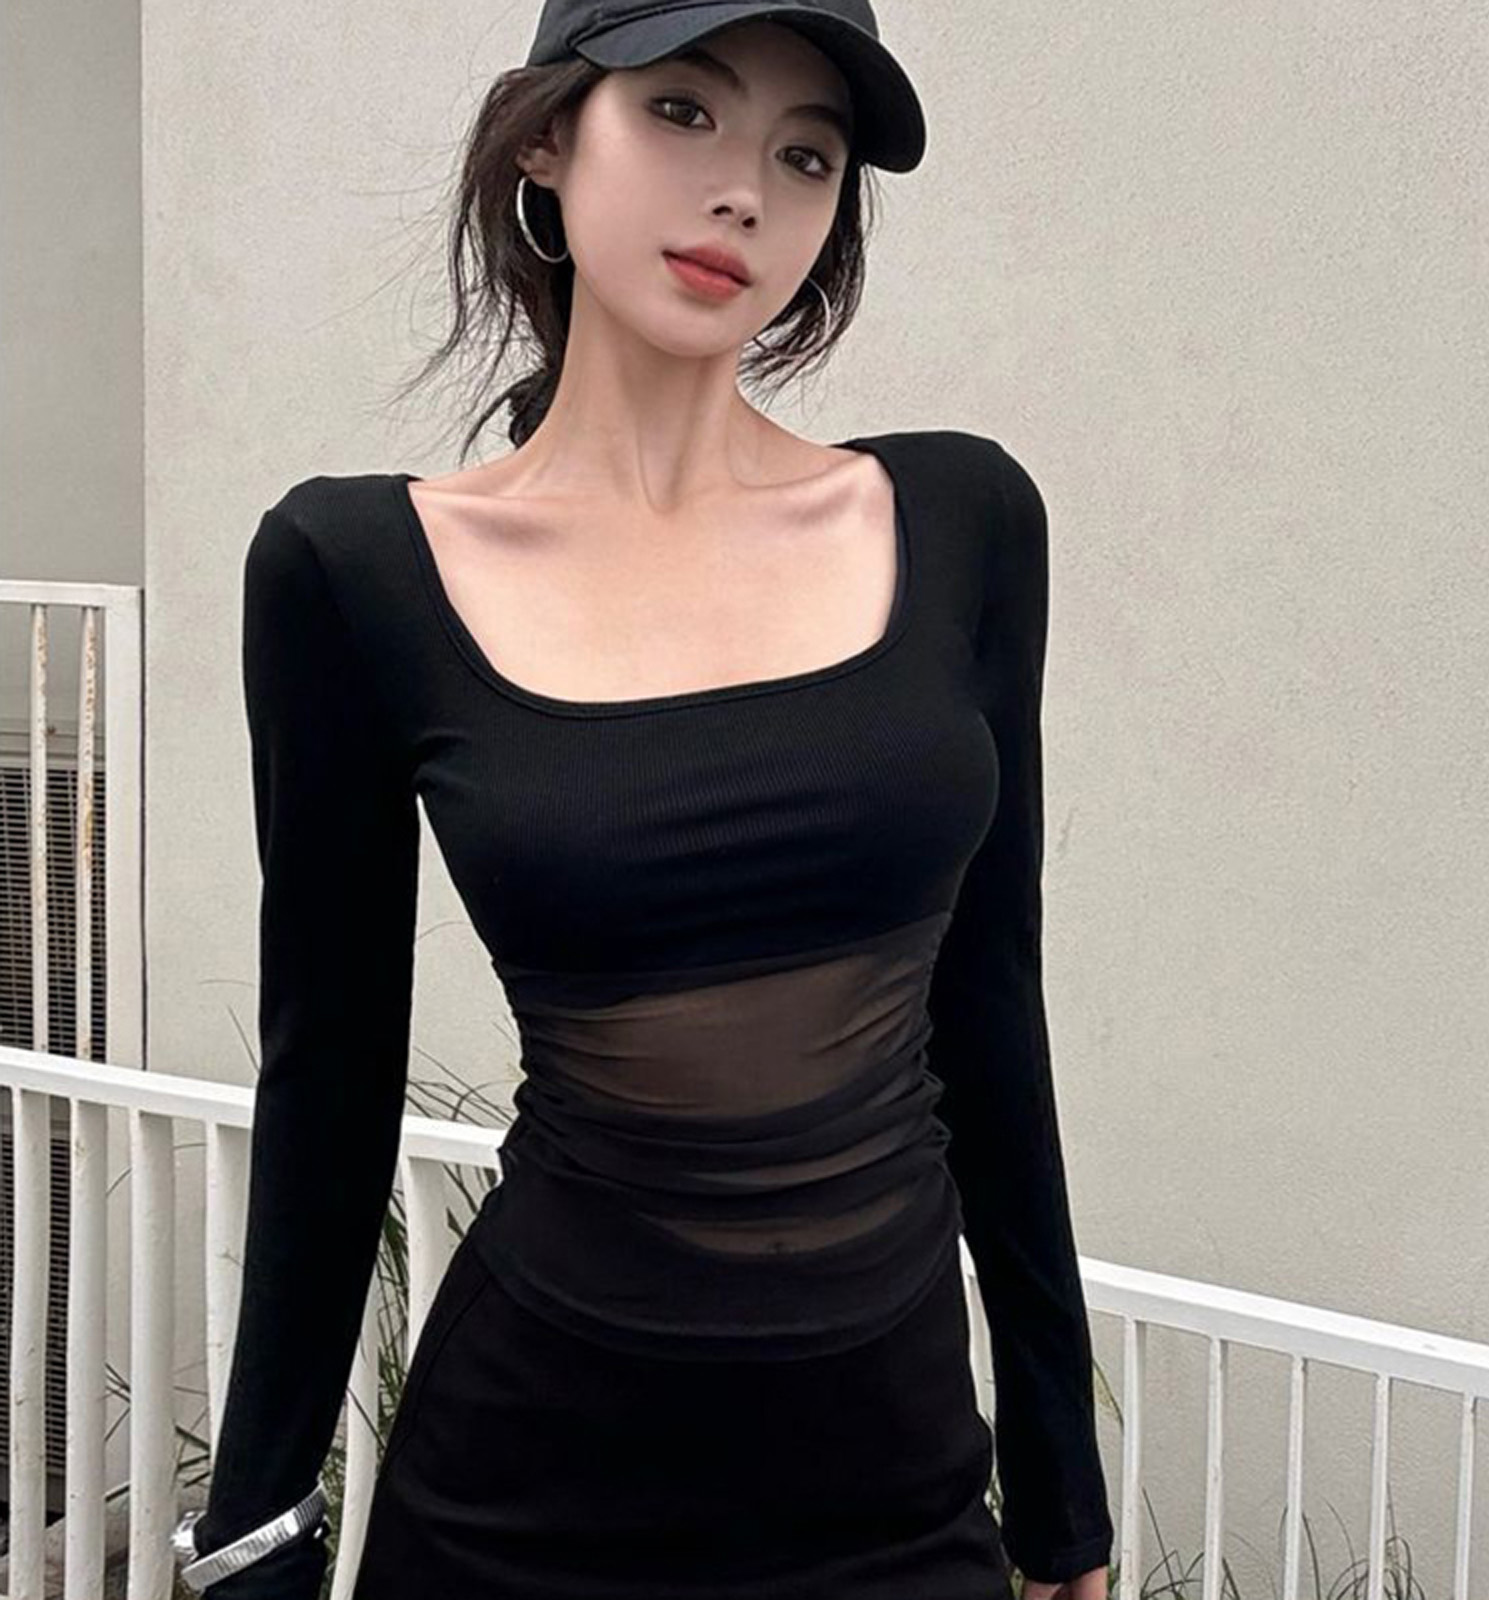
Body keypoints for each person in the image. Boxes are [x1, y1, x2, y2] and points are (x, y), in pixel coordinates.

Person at [172, 2, 1115, 1596]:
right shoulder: (357, 570)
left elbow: (993, 1009)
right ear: (547, 136)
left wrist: (1061, 1480)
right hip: (530, 1489)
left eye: (807, 154)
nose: (745, 190)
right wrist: (256, 1527)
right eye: (684, 110)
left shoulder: (961, 520)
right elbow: (328, 1076)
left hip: (894, 1490)